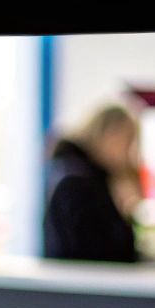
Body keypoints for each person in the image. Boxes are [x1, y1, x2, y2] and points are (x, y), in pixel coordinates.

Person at [43, 104, 140, 263]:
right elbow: (103, 252)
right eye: (128, 140)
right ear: (110, 134)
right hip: (84, 284)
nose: (129, 151)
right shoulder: (78, 184)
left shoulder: (82, 176)